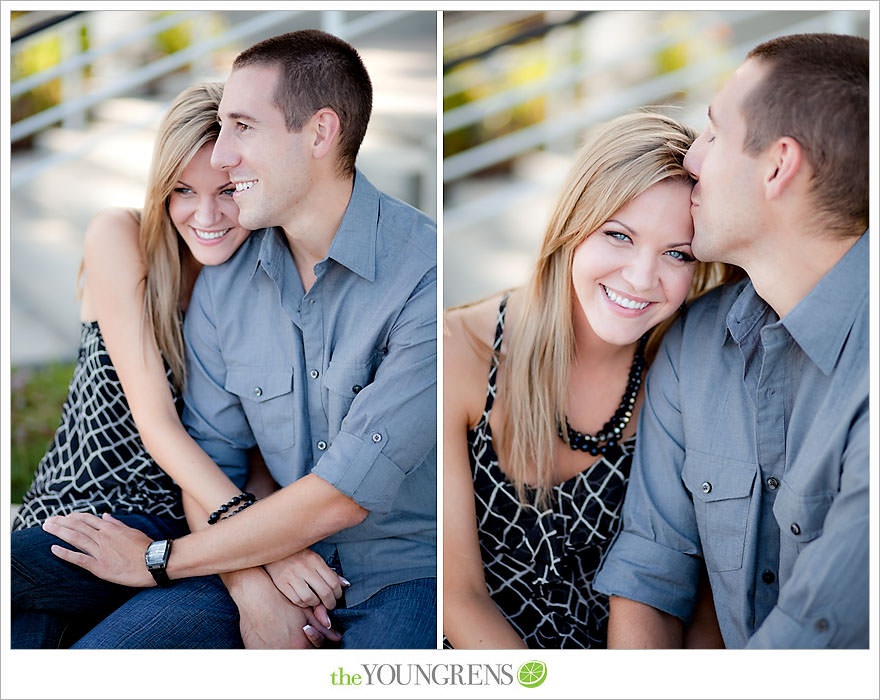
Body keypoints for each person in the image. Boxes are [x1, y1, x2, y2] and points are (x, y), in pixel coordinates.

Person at [43, 29, 437, 650]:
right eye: (221, 131)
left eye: (241, 128)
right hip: (209, 543)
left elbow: (340, 495)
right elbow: (210, 452)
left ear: (318, 133)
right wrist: (252, 586)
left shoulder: (423, 277)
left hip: (397, 574)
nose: (223, 156)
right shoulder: (225, 284)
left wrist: (159, 561)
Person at [12, 81, 341, 649]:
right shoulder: (121, 237)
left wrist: (254, 554)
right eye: (184, 189)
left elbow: (263, 459)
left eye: (229, 190)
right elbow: (156, 422)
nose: (206, 214)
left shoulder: (275, 286)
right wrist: (267, 545)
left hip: (181, 538)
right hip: (72, 516)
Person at [593, 33, 869, 649]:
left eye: (714, 133)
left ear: (777, 166)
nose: (692, 157)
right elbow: (651, 572)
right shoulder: (695, 342)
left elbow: (815, 639)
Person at [443, 110, 741, 649]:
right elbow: (457, 596)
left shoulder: (682, 375)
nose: (641, 277)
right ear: (572, 226)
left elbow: (700, 595)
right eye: (619, 235)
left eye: (677, 253)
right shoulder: (460, 355)